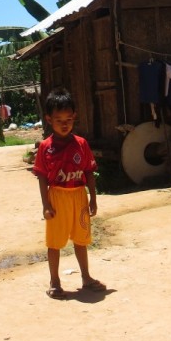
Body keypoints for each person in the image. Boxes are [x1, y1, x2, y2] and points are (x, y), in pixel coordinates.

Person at [32, 87, 105, 300]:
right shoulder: (46, 147)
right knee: (54, 243)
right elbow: (42, 177)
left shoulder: (81, 144)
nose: (64, 124)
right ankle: (55, 281)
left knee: (81, 239)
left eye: (68, 119)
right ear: (48, 120)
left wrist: (93, 198)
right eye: (58, 120)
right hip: (57, 197)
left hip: (79, 196)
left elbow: (89, 172)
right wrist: (46, 204)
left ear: (74, 118)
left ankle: (86, 277)